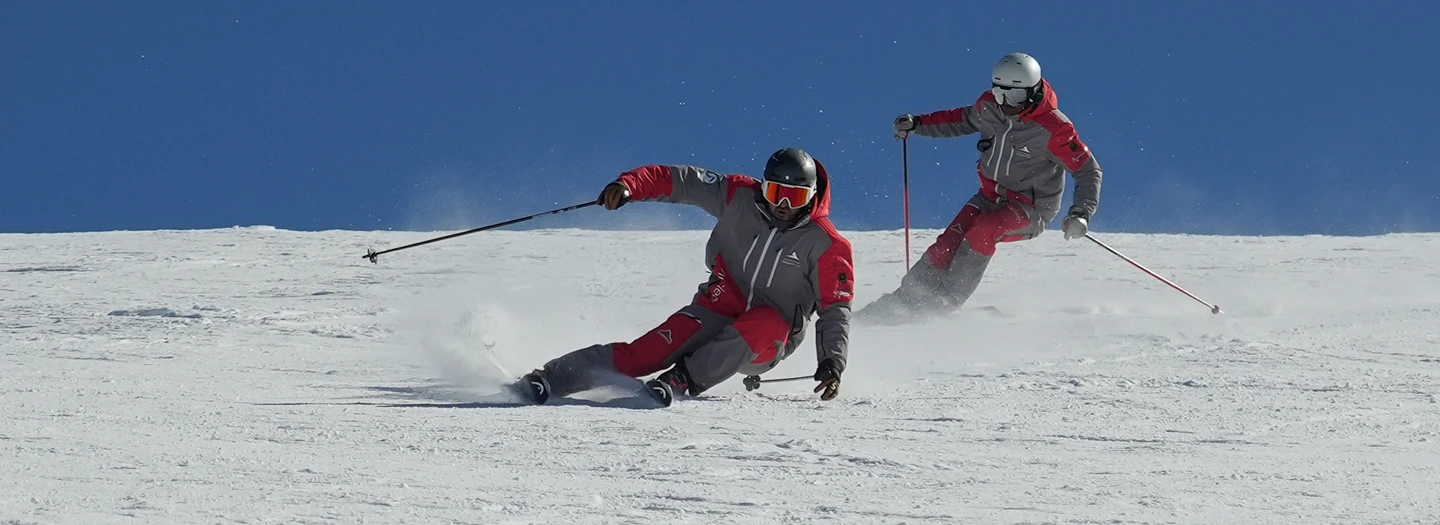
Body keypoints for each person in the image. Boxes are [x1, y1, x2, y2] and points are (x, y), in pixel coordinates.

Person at [518, 148, 855, 406]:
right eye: (774, 192)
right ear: (763, 187)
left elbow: (835, 310)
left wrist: (832, 363)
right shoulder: (738, 196)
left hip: (767, 340)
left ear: (811, 195)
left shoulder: (827, 244)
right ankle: (551, 378)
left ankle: (682, 379)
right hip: (716, 308)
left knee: (766, 321)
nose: (782, 204)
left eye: (794, 197)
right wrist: (630, 186)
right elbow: (683, 181)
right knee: (644, 354)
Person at [857, 52, 1103, 323]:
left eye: (1015, 97)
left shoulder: (1055, 128)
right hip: (990, 196)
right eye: (1000, 94)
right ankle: (905, 300)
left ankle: (944, 302)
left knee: (983, 231)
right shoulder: (989, 108)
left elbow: (1088, 170)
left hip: (1031, 209)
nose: (1006, 104)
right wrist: (918, 124)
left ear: (1033, 92)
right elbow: (961, 119)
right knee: (948, 242)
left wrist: (1081, 212)